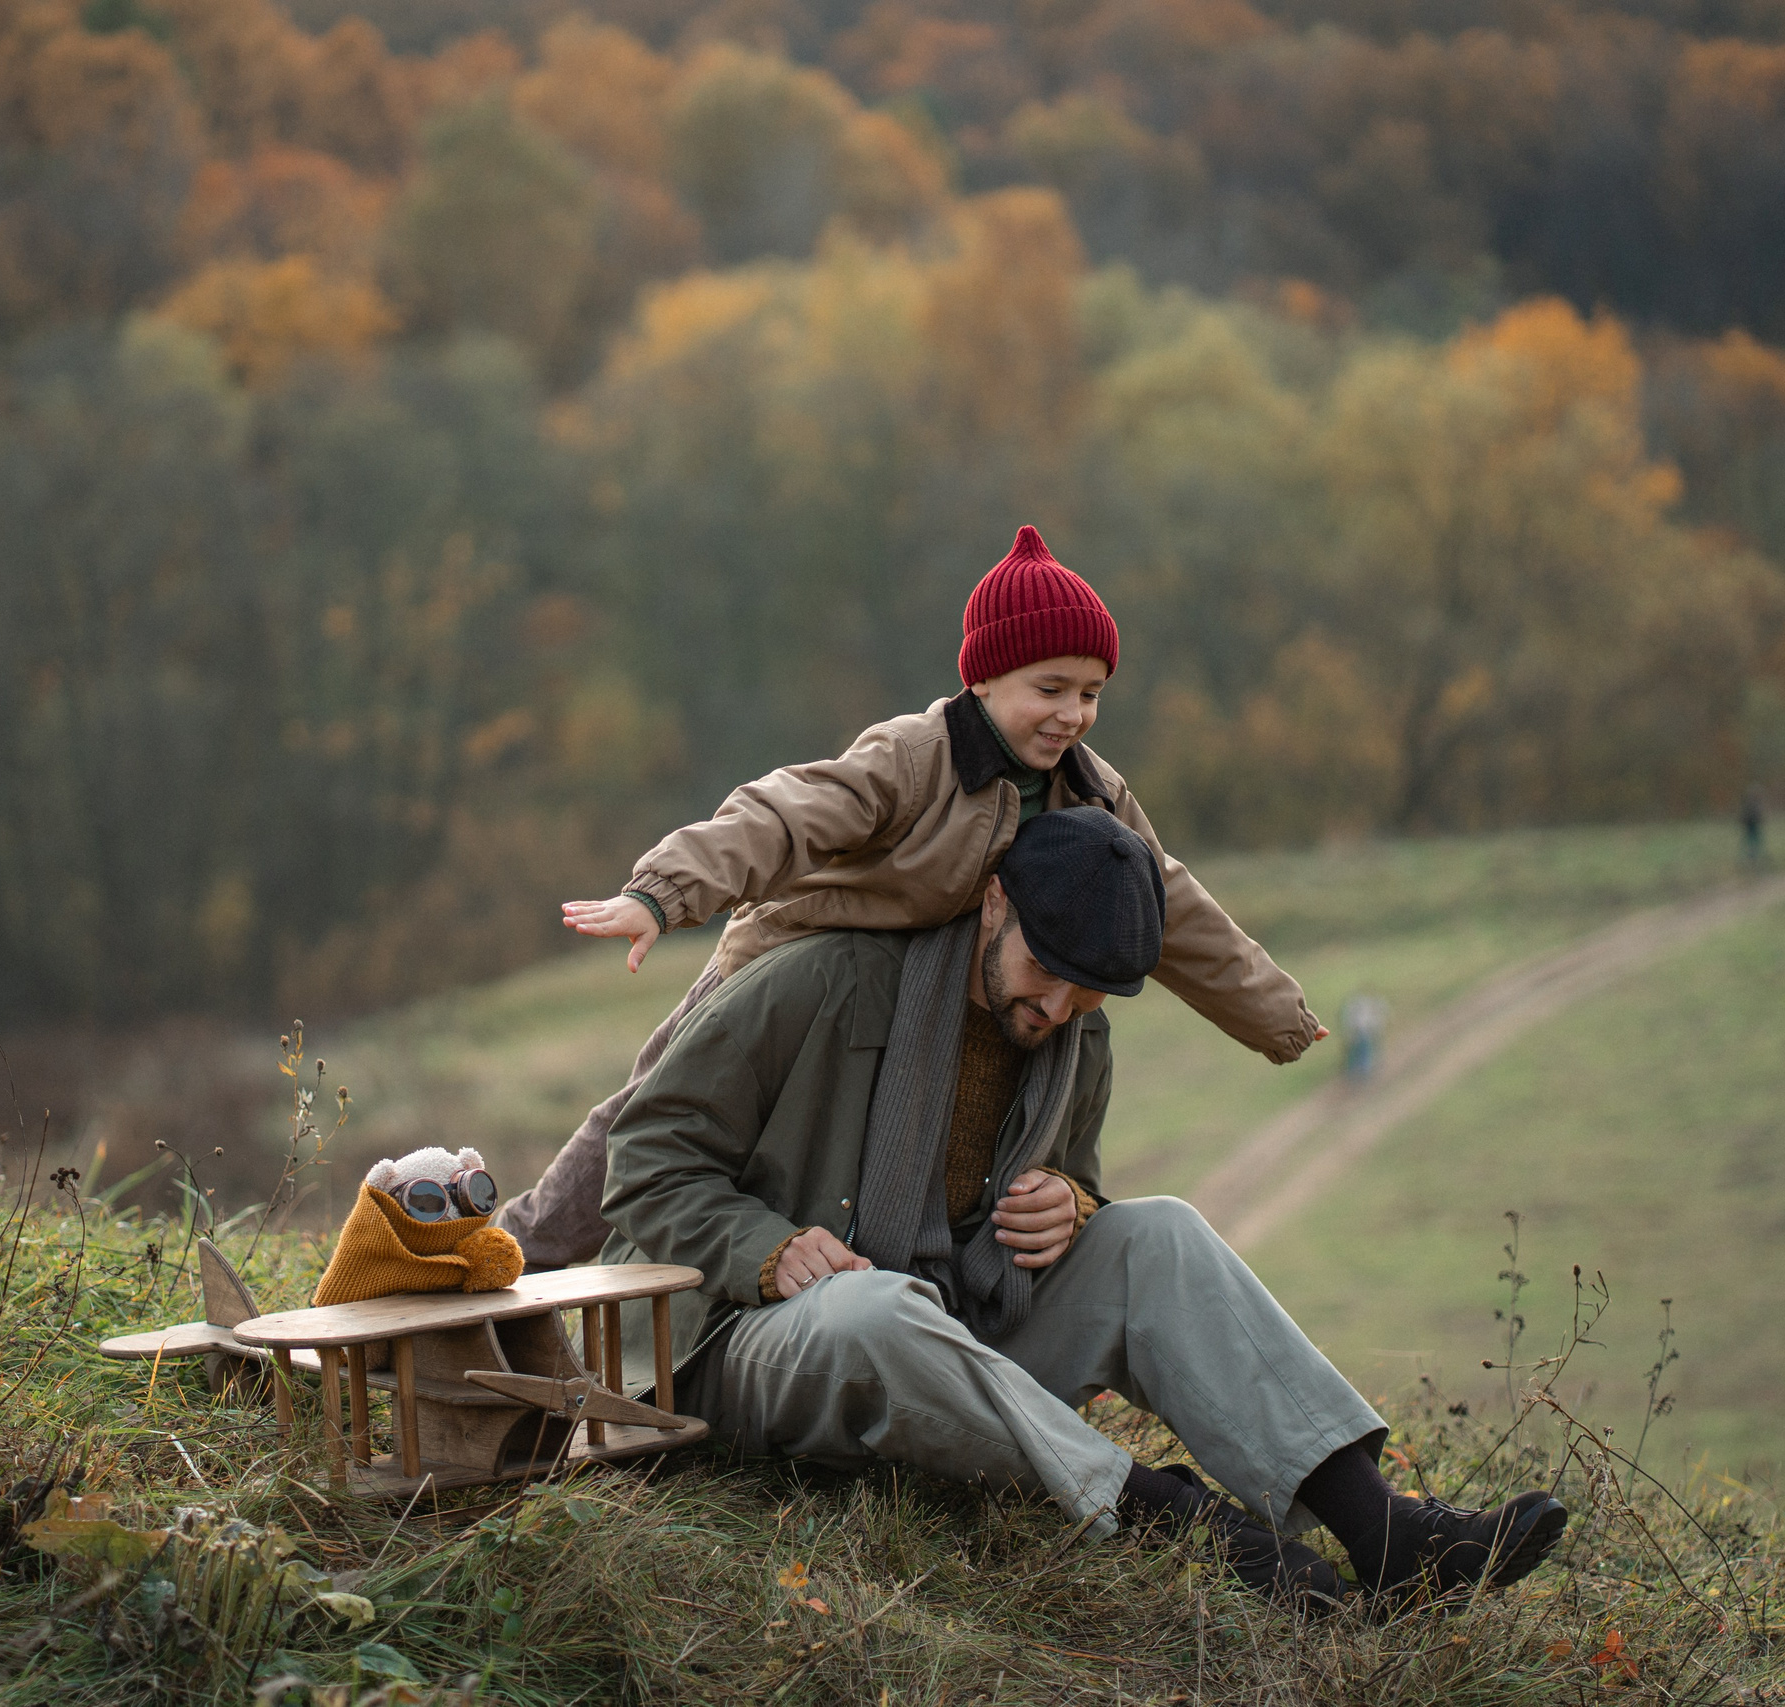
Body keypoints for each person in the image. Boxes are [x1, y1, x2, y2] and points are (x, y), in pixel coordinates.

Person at [600, 807, 1570, 1608]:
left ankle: (1386, 1531)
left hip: (955, 1333)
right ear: (992, 903)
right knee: (873, 1309)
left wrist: (1073, 1202)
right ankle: (1172, 1521)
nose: (1057, 1007)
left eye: (1089, 993)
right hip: (752, 1344)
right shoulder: (826, 982)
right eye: (1045, 968)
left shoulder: (1073, 1038)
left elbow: (1074, 1180)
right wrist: (764, 1248)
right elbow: (643, 1158)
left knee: (1160, 1234)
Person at [495, 525, 1324, 1269]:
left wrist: (1276, 1014)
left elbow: (1169, 904)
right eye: (1051, 687)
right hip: (789, 969)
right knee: (649, 1110)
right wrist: (663, 893)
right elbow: (782, 817)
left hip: (905, 995)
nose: (1073, 713)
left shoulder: (1093, 797)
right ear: (987, 678)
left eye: (1091, 693)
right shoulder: (915, 758)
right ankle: (513, 1251)